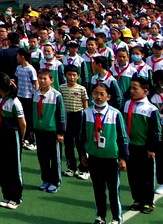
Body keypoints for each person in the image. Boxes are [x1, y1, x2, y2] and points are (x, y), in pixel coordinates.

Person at [81, 82, 129, 224]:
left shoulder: (115, 114)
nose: (98, 97)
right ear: (91, 95)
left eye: (102, 94)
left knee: (114, 191)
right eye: (95, 93)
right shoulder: (87, 113)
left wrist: (124, 158)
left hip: (111, 159)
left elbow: (123, 137)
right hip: (94, 158)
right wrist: (83, 154)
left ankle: (116, 218)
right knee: (98, 189)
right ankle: (100, 216)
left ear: (108, 96)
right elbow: (82, 136)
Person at [121, 76, 160, 214]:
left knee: (146, 177)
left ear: (145, 91)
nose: (132, 91)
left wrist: (152, 148)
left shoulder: (151, 109)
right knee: (133, 176)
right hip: (130, 147)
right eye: (131, 88)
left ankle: (148, 202)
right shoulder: (126, 105)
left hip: (144, 148)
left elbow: (155, 132)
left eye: (135, 88)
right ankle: (137, 199)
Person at [0, 72, 26, 209]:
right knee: (1, 167)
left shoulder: (15, 102)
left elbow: (22, 123)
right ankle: (6, 195)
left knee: (13, 168)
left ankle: (16, 198)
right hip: (0, 135)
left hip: (13, 136)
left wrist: (21, 138)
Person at [31, 69, 66, 193]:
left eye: (44, 78)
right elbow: (32, 113)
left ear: (51, 80)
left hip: (52, 131)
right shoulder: (35, 94)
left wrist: (61, 132)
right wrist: (32, 128)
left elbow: (61, 115)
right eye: (39, 78)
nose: (41, 80)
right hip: (40, 130)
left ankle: (55, 181)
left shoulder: (56, 95)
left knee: (54, 158)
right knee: (42, 157)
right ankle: (45, 179)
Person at [60, 65, 89, 180]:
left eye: (74, 75)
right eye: (69, 75)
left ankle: (84, 169)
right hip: (67, 116)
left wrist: (86, 118)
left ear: (78, 76)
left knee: (80, 144)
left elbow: (85, 104)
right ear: (65, 75)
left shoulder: (81, 89)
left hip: (79, 116)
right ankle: (71, 167)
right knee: (68, 144)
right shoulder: (61, 88)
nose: (72, 77)